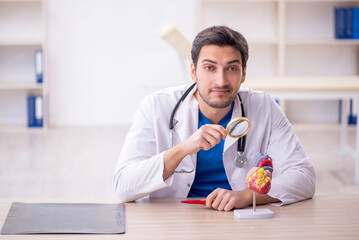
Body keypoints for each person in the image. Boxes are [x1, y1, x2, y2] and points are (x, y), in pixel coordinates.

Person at [113, 25, 315, 211]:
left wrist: (245, 196)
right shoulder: (156, 106)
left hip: (239, 218)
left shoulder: (264, 107)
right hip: (174, 219)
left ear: (243, 74)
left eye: (232, 68)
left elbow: (304, 177)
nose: (221, 80)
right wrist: (184, 148)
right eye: (210, 68)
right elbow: (124, 186)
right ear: (193, 71)